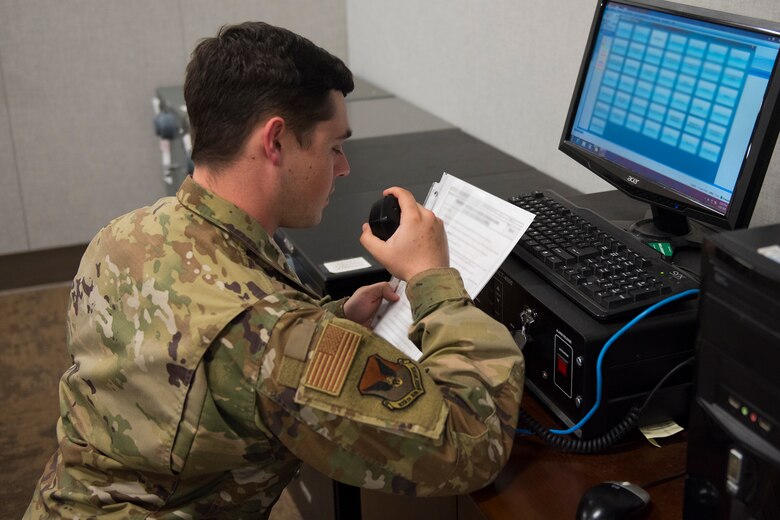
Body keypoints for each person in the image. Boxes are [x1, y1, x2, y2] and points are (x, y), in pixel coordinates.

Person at [25, 21, 524, 519]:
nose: (345, 167)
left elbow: (209, 348)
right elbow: (471, 444)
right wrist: (430, 280)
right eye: (334, 146)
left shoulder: (123, 235)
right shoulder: (271, 337)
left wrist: (334, 321)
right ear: (277, 142)